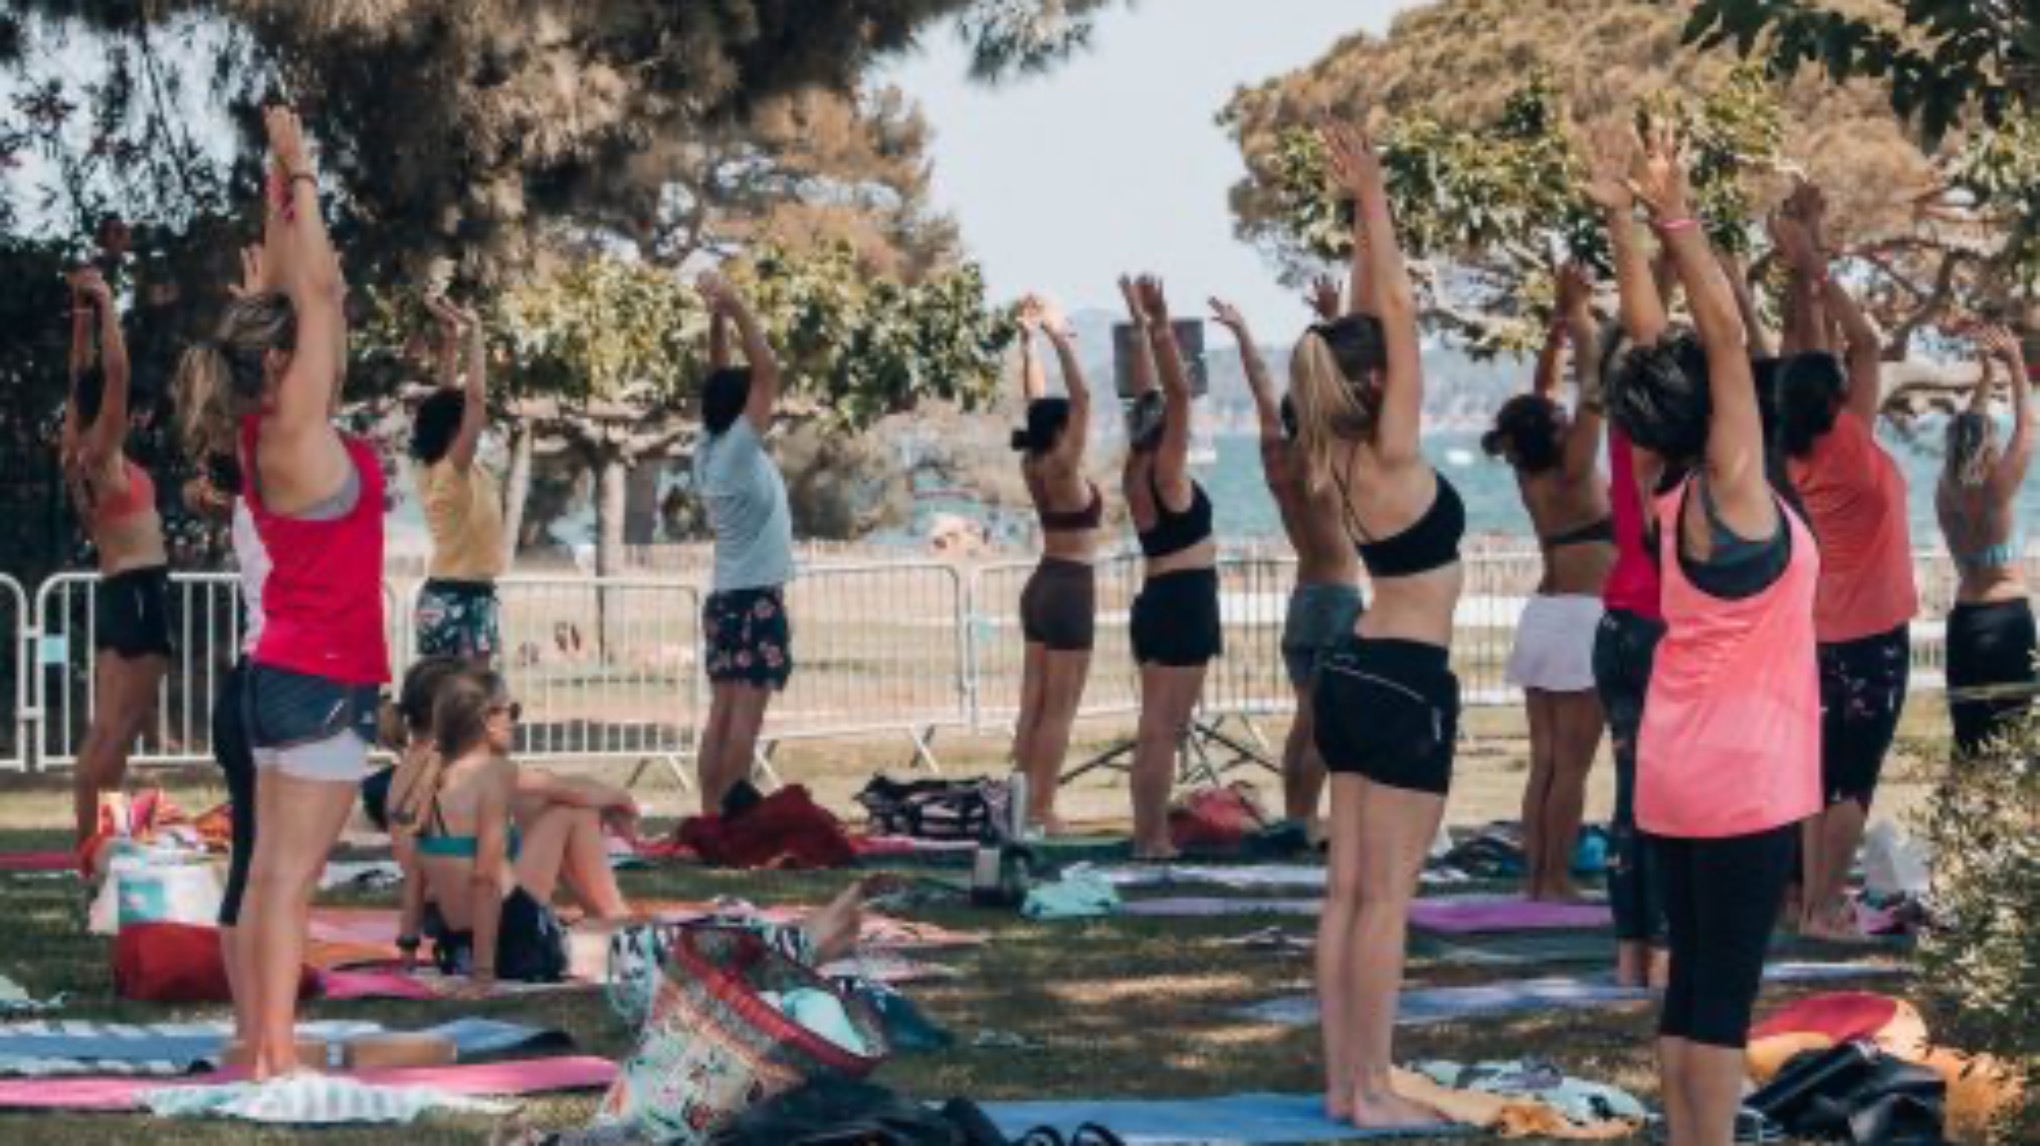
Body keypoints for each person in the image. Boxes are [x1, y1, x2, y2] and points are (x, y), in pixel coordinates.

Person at [1606, 122, 1820, 1146]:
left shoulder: (1670, 487)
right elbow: (1720, 340)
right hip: (1739, 778)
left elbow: (1663, 350)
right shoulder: (1732, 491)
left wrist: (1622, 218)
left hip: (1675, 770)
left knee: (1691, 984)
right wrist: (1673, 212)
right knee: (1722, 992)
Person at [172, 107, 382, 1079]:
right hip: (318, 680)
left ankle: (259, 1045)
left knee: (268, 871)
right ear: (283, 363)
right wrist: (297, 169)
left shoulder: (261, 435)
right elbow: (326, 289)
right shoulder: (294, 433)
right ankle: (275, 1058)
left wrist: (278, 193)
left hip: (278, 678)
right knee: (292, 878)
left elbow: (311, 295)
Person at [1292, 119, 1461, 1129]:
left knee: (1345, 895)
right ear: (1373, 383)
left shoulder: (1339, 450)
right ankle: (1369, 1088)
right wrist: (1375, 197)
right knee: (1382, 900)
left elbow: (1368, 317)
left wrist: (1364, 218)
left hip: (1356, 675)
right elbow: (1391, 309)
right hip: (1402, 678)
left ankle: (1344, 1084)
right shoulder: (1390, 454)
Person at [1771, 187, 1917, 941]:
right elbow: (1861, 344)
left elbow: (1815, 354)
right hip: (1869, 635)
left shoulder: (1797, 450)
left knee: (1817, 775)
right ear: (1835, 400)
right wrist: (1815, 265)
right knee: (1852, 778)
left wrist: (1809, 257)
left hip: (1821, 633)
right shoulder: (1852, 445)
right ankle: (1827, 907)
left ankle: (1805, 900)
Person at [1483, 264, 1612, 902]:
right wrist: (1582, 316)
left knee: (1544, 762)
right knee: (1573, 766)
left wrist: (1554, 333)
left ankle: (1536, 880)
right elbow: (1593, 389)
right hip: (1583, 621)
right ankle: (1555, 879)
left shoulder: (1531, 471)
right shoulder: (1576, 467)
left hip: (1542, 616)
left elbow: (1545, 398)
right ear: (1556, 430)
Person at [1214, 276, 1362, 833]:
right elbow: (1334, 387)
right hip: (1335, 599)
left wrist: (1245, 334)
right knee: (1324, 725)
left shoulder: (1278, 462)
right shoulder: (1322, 463)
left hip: (1302, 599)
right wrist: (1332, 319)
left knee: (1306, 721)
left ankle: (1300, 817)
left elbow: (1260, 388)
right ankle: (1304, 817)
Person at [379, 657, 641, 965]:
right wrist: (622, 800)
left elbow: (546, 784)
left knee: (536, 803)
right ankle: (612, 914)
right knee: (571, 811)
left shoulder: (414, 772)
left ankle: (603, 916)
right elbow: (568, 791)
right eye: (507, 712)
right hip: (491, 914)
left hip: (445, 915)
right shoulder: (479, 770)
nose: (512, 722)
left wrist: (407, 946)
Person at [1580, 179, 1672, 990]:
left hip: (1617, 630)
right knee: (1671, 803)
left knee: (1631, 800)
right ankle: (1662, 958)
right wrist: (1625, 222)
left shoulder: (1617, 427)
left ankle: (1630, 958)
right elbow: (1647, 337)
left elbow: (1636, 337)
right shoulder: (1651, 429)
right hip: (1655, 631)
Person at [61, 265, 172, 845]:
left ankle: (96, 851)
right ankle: (94, 853)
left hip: (120, 593)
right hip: (136, 593)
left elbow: (79, 377)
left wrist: (82, 320)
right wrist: (106, 305)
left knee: (108, 735)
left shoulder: (76, 450)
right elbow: (114, 371)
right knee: (115, 734)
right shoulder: (101, 455)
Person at [1120, 274, 1221, 861]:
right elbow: (1178, 398)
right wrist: (1161, 328)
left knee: (1155, 726)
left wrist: (1139, 323)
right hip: (1183, 600)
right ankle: (1152, 838)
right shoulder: (1167, 476)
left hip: (1159, 597)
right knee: (1163, 728)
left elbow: (1148, 400)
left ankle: (1148, 833)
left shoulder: (1136, 473)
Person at [692, 272, 794, 814]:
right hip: (755, 599)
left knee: (721, 713)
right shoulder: (734, 451)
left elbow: (719, 375)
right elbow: (768, 371)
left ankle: (710, 813)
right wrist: (737, 305)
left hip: (726, 599)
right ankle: (727, 816)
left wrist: (718, 318)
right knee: (744, 721)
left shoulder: (708, 446)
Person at [1009, 294, 1100, 834]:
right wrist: (1058, 335)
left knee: (1032, 706)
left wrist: (1028, 345)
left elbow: (1036, 403)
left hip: (1041, 583)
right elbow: (1082, 396)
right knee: (1059, 711)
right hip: (1068, 587)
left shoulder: (1034, 459)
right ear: (1063, 430)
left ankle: (1021, 807)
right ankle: (1042, 808)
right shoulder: (1063, 466)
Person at [1936, 326, 2035, 758]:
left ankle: (1967, 824)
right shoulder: (1997, 488)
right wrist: (2014, 365)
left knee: (1969, 741)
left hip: (1964, 622)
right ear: (1987, 447)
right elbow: (2027, 426)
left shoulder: (1945, 490)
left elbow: (1968, 430)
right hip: (2005, 621)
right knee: (2012, 741)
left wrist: (1983, 379)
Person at [410, 296, 505, 664]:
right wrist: (476, 333)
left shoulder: (433, 468)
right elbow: (475, 401)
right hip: (463, 597)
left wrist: (451, 341)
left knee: (442, 706)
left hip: (444, 594)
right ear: (456, 428)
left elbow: (447, 397)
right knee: (468, 708)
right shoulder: (453, 472)